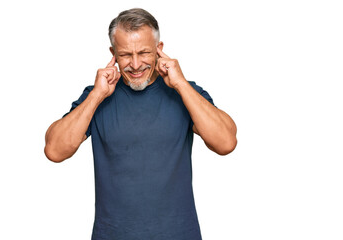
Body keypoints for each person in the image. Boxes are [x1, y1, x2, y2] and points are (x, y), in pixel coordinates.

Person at [44, 8, 237, 240]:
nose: (135, 65)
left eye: (144, 52)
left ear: (159, 49)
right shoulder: (98, 95)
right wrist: (96, 96)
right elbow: (54, 150)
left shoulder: (185, 92)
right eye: (125, 54)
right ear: (113, 53)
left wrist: (181, 84)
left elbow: (226, 142)